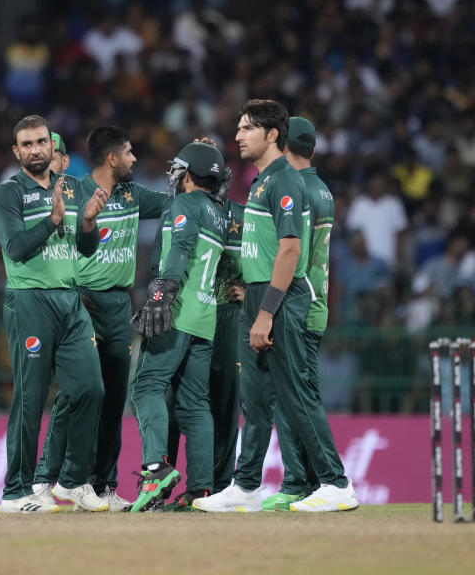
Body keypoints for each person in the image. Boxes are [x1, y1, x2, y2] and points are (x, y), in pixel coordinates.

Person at [193, 99, 358, 513]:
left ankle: (337, 483)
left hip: (279, 299)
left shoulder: (285, 180)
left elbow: (289, 251)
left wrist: (265, 311)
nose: (237, 136)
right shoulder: (263, 181)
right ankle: (246, 484)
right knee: (257, 397)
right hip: (259, 296)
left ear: (272, 136)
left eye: (246, 128)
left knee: (297, 394)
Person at [33, 125, 167, 512]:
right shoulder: (72, 191)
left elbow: (176, 202)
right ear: (112, 157)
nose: (134, 159)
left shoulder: (132, 194)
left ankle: (102, 484)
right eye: (129, 152)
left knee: (113, 399)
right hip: (81, 302)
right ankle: (46, 479)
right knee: (76, 393)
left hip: (117, 306)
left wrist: (196, 168)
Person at [0, 114, 109, 514]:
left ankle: (73, 482)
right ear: (17, 151)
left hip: (69, 300)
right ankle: (15, 491)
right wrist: (54, 220)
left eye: (41, 141)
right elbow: (16, 248)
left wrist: (89, 222)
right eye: (26, 144)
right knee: (30, 399)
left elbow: (87, 248)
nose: (35, 149)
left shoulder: (73, 187)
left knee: (90, 388)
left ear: (51, 146)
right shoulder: (8, 193)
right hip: (30, 301)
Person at [128, 140, 228, 512]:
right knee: (195, 403)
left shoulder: (184, 204)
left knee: (146, 387)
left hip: (179, 311)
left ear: (187, 174)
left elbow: (182, 247)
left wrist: (160, 295)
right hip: (205, 315)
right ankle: (201, 492)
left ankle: (156, 470)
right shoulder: (218, 213)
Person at [256, 116, 333, 511]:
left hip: (296, 304)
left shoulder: (294, 186)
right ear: (314, 149)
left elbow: (288, 253)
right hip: (317, 303)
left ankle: (299, 482)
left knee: (291, 398)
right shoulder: (322, 190)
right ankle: (312, 482)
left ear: (282, 145)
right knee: (300, 394)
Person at [164, 138, 245, 510]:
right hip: (191, 309)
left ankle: (218, 486)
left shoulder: (243, 215)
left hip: (227, 316)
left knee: (224, 402)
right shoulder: (183, 207)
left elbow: (271, 259)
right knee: (176, 399)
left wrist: (253, 292)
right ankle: (165, 482)